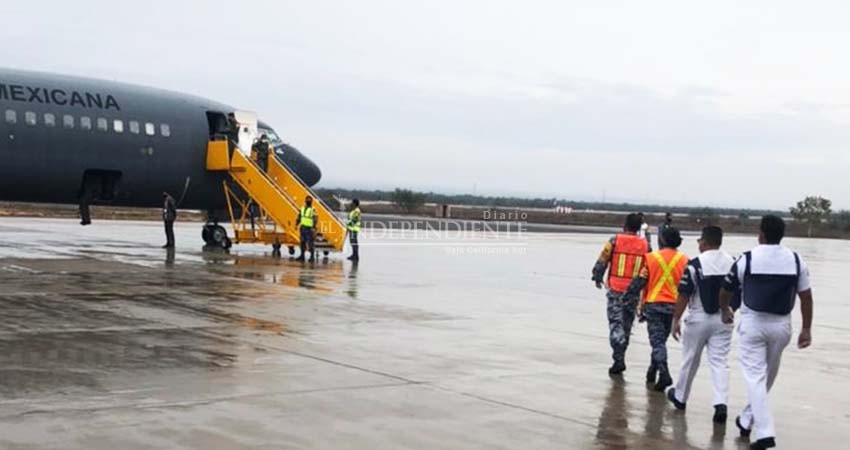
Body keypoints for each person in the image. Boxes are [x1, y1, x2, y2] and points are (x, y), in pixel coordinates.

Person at [719, 215, 813, 450]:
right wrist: (806, 329)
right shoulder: (795, 259)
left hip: (753, 324)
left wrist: (725, 310)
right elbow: (806, 297)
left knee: (756, 379)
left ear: (761, 234)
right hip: (782, 327)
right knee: (766, 378)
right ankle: (747, 419)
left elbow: (726, 289)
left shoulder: (747, 258)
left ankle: (765, 434)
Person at [667, 226, 737, 423]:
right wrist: (729, 310)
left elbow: (684, 294)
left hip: (698, 317)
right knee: (720, 362)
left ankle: (680, 398)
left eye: (700, 241)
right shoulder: (733, 262)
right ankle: (720, 404)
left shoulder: (695, 264)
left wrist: (676, 319)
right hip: (723, 318)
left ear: (705, 242)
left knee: (690, 359)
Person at [624, 226, 687, 392]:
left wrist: (628, 297)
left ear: (663, 240)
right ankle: (652, 370)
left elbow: (640, 281)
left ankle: (664, 374)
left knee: (657, 341)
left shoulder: (652, 258)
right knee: (660, 341)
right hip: (675, 307)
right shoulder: (684, 260)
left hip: (655, 305)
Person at [591, 213, 649, 375]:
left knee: (615, 323)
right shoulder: (645, 245)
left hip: (616, 289)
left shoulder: (615, 240)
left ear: (625, 225)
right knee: (627, 324)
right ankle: (620, 356)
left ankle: (618, 356)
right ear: (638, 228)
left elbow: (603, 259)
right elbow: (649, 267)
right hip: (634, 291)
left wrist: (597, 276)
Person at [296, 196, 318, 261]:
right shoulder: (302, 209)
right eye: (307, 200)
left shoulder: (313, 209)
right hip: (303, 227)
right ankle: (302, 256)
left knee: (310, 243)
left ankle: (312, 257)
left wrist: (313, 227)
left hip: (309, 229)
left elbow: (315, 219)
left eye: (309, 200)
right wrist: (296, 224)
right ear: (305, 201)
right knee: (302, 242)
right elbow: (299, 217)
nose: (308, 201)